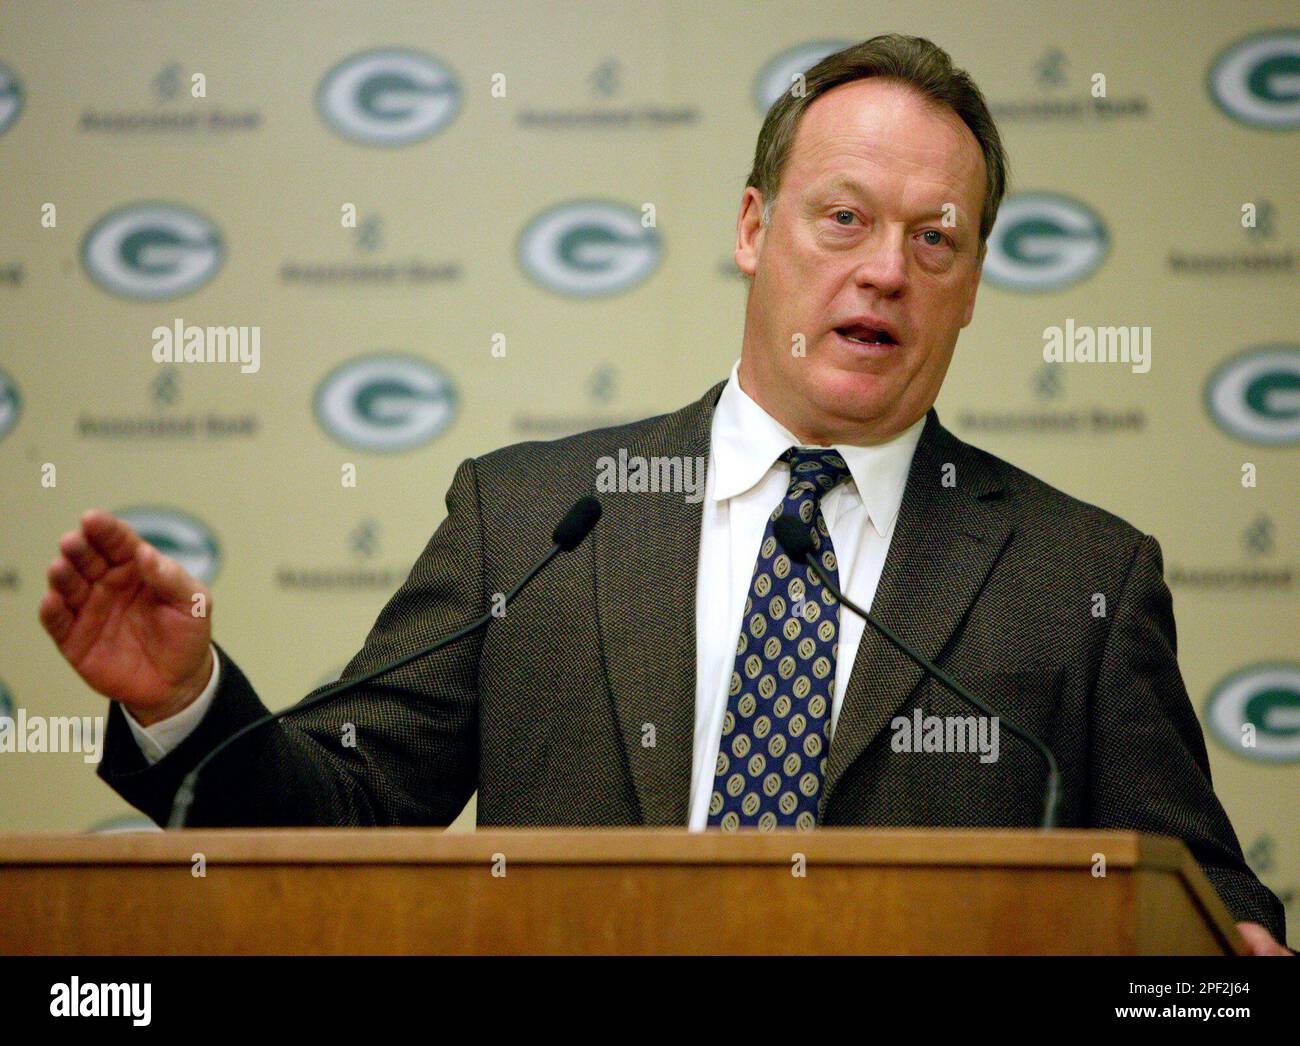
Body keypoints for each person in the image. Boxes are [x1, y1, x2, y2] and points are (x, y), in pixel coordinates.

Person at [39, 35, 1288, 953]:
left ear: (969, 283)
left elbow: (1208, 905)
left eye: (933, 240)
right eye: (842, 217)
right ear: (753, 228)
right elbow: (342, 808)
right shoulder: (530, 518)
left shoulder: (1079, 574)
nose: (884, 272)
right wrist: (185, 702)